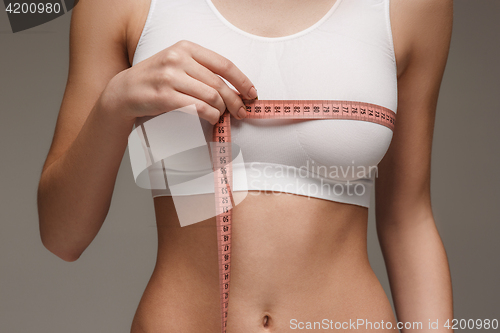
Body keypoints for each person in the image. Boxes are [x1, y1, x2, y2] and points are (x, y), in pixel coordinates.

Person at [37, 0, 454, 331]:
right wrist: (116, 103)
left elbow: (407, 220)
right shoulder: (123, 5)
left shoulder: (411, 7)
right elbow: (62, 235)